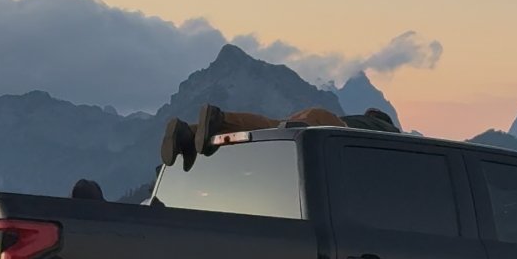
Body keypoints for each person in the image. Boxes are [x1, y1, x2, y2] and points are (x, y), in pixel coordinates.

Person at [160, 103, 398, 170]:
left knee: (269, 129)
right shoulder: (388, 135)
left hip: (318, 116)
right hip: (323, 122)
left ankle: (188, 134)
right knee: (274, 130)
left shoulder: (363, 120)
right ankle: (219, 118)